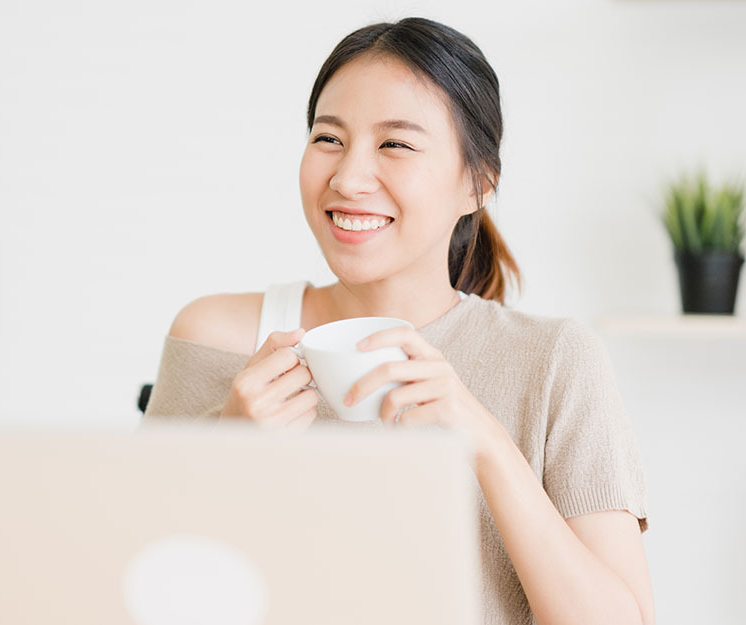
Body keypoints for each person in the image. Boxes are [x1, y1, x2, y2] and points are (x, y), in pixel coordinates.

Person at [141, 17, 654, 625]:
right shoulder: (219, 338)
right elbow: (127, 589)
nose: (348, 178)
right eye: (328, 138)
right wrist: (228, 457)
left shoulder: (556, 361)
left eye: (396, 144)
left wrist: (485, 441)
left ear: (479, 182)